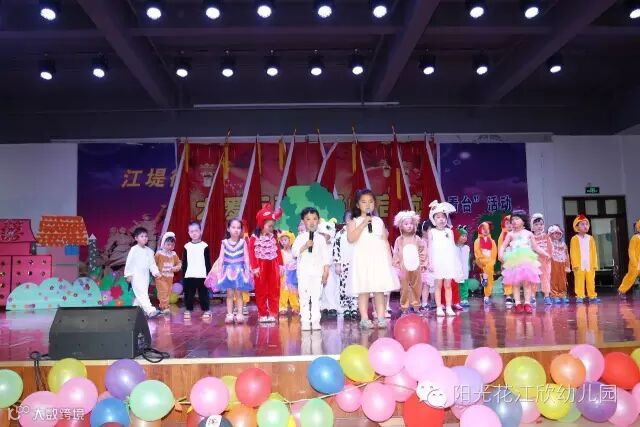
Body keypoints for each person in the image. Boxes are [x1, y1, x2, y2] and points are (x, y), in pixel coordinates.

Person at [347, 189, 399, 329]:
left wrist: (390, 258)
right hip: (362, 259)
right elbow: (351, 238)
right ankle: (364, 318)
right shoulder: (353, 222)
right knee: (363, 289)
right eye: (364, 202)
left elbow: (385, 240)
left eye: (370, 201)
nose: (368, 205)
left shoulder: (378, 221)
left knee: (379, 289)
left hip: (378, 259)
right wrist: (363, 224)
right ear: (358, 205)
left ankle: (381, 317)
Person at [499, 211, 549, 314]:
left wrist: (545, 253)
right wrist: (500, 254)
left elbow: (536, 247)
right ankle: (517, 303)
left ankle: (527, 303)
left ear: (523, 221)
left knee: (527, 283)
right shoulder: (510, 234)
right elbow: (503, 245)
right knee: (516, 283)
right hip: (514, 261)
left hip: (526, 261)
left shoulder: (528, 233)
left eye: (517, 219)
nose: (514, 221)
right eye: (512, 220)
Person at [293, 207, 330, 331]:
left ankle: (315, 320)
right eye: (308, 219)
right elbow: (294, 252)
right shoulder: (300, 237)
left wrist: (326, 271)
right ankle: (305, 320)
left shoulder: (321, 239)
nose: (312, 222)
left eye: (314, 219)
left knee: (316, 297)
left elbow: (325, 257)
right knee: (304, 297)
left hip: (317, 273)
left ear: (318, 221)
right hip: (304, 273)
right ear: (303, 221)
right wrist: (304, 246)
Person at [212, 218, 253, 324]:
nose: (236, 230)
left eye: (238, 228)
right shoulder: (224, 243)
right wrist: (219, 272)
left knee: (239, 294)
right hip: (228, 272)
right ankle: (229, 314)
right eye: (233, 227)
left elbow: (246, 257)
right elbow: (221, 258)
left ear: (241, 230)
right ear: (228, 229)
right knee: (229, 294)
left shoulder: (243, 242)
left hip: (239, 272)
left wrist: (247, 271)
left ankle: (240, 314)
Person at [248, 204, 284, 323]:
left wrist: (281, 265)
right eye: (269, 226)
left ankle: (273, 313)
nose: (271, 228)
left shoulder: (273, 236)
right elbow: (251, 253)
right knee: (261, 291)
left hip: (273, 266)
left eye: (273, 226)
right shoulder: (254, 238)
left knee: (274, 290)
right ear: (261, 224)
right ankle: (262, 314)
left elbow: (278, 251)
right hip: (260, 267)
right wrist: (255, 267)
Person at [427, 200, 463, 317]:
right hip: (437, 261)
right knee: (438, 285)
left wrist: (455, 262)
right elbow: (430, 248)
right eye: (438, 217)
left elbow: (452, 247)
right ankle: (439, 307)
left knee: (448, 285)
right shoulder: (431, 232)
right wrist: (430, 263)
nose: (441, 219)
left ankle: (448, 307)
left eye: (443, 217)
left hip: (448, 261)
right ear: (433, 219)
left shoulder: (449, 231)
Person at [392, 210, 428, 314]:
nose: (409, 226)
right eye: (406, 224)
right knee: (404, 288)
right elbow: (396, 253)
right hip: (404, 268)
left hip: (416, 268)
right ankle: (404, 307)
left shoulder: (417, 239)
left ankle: (416, 306)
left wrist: (423, 264)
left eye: (411, 223)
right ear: (401, 226)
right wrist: (397, 265)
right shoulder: (399, 240)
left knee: (417, 287)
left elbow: (423, 251)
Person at [124, 227, 161, 318]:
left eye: (146, 236)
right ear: (136, 238)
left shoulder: (149, 251)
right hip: (136, 276)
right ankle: (150, 311)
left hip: (145, 276)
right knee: (142, 293)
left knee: (141, 294)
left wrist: (156, 272)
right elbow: (129, 262)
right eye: (142, 236)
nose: (144, 238)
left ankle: (134, 311)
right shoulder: (134, 249)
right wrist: (128, 274)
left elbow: (152, 264)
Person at [182, 221, 212, 319]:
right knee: (189, 294)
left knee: (203, 294)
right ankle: (188, 309)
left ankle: (206, 309)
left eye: (196, 231)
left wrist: (209, 275)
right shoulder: (186, 246)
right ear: (188, 233)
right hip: (189, 275)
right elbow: (184, 262)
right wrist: (184, 275)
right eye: (191, 231)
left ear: (200, 232)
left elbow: (208, 262)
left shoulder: (204, 246)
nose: (194, 233)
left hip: (202, 275)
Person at [333, 211, 358, 320]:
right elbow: (336, 249)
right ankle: (345, 307)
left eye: (353, 218)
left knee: (355, 285)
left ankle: (354, 307)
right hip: (344, 264)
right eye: (349, 219)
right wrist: (337, 263)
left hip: (355, 264)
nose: (351, 221)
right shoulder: (340, 234)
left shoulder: (358, 233)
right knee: (343, 286)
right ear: (345, 220)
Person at [570, 215, 600, 304]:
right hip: (579, 264)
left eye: (586, 224)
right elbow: (573, 252)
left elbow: (594, 252)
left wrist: (595, 263)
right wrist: (575, 264)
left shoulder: (590, 238)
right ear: (577, 226)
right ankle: (580, 296)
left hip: (589, 264)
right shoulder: (574, 239)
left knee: (591, 281)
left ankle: (592, 296)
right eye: (582, 224)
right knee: (579, 281)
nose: (585, 226)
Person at [154, 232, 182, 315]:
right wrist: (156, 272)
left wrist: (175, 268)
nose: (170, 247)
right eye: (168, 244)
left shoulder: (174, 254)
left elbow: (179, 263)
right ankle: (164, 307)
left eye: (172, 245)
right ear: (163, 244)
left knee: (168, 291)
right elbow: (153, 264)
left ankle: (164, 305)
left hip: (170, 277)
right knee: (163, 291)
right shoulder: (159, 254)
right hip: (160, 277)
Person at [318, 218, 340, 319]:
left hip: (331, 270)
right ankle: (323, 306)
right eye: (321, 234)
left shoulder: (333, 245)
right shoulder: (318, 246)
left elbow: (335, 256)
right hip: (320, 269)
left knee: (331, 288)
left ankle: (332, 307)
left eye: (324, 234)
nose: (323, 237)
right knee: (321, 290)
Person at [531, 213, 554, 305]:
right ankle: (532, 296)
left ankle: (547, 296)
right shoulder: (531, 237)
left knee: (546, 278)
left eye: (541, 224)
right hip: (534, 261)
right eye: (536, 224)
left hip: (545, 261)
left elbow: (551, 247)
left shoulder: (546, 236)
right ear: (532, 227)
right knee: (533, 279)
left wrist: (549, 256)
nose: (539, 226)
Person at [474, 221, 497, 306]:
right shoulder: (477, 241)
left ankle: (486, 296)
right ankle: (484, 279)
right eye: (483, 229)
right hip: (481, 262)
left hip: (489, 263)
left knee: (489, 279)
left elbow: (494, 252)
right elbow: (477, 252)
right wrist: (482, 260)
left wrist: (491, 261)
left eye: (487, 229)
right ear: (480, 230)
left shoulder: (492, 241)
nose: (485, 230)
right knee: (487, 274)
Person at [617, 218, 640, 299]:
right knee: (630, 277)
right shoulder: (635, 238)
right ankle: (621, 290)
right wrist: (634, 262)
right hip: (636, 262)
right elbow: (631, 250)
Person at [278, 230, 300, 315]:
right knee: (283, 291)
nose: (283, 242)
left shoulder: (294, 252)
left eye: (285, 240)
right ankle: (282, 307)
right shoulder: (281, 252)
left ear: (290, 240)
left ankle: (295, 306)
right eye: (282, 240)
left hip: (293, 273)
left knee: (293, 291)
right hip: (284, 274)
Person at [548, 225, 571, 304]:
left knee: (563, 280)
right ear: (550, 234)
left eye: (558, 233)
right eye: (555, 233)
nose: (557, 235)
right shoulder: (549, 243)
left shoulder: (563, 244)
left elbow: (567, 255)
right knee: (554, 280)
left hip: (562, 264)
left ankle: (563, 295)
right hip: (553, 263)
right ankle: (554, 295)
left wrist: (567, 266)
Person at [418, 220, 436, 311]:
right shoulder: (421, 241)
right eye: (429, 230)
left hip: (430, 267)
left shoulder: (433, 242)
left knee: (427, 285)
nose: (430, 232)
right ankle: (416, 303)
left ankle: (425, 303)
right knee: (420, 285)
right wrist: (423, 264)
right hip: (422, 267)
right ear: (423, 231)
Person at [498, 215, 514, 306]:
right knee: (507, 278)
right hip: (506, 260)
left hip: (515, 260)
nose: (509, 225)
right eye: (507, 223)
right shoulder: (503, 235)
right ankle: (508, 295)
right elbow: (500, 249)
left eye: (511, 223)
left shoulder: (516, 234)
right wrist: (502, 260)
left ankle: (514, 295)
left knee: (515, 278)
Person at [454, 225, 471, 307]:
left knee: (464, 284)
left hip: (465, 269)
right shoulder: (453, 247)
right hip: (456, 269)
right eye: (462, 236)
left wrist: (468, 267)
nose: (464, 238)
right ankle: (457, 299)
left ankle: (464, 298)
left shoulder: (467, 248)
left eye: (465, 236)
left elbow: (467, 259)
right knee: (457, 284)